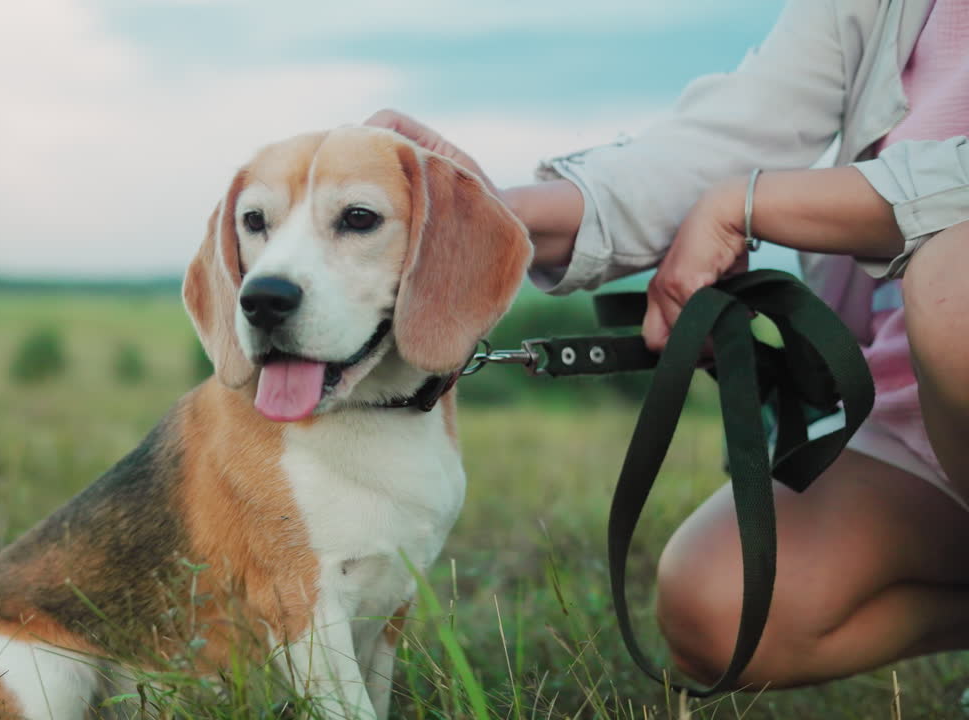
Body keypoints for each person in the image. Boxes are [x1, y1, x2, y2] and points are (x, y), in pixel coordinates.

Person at [367, 0, 969, 689]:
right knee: (719, 606)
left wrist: (749, 203)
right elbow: (732, 135)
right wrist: (495, 215)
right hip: (919, 394)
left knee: (957, 282)